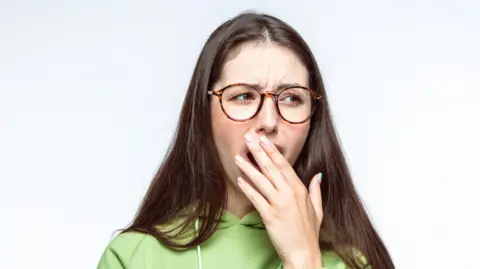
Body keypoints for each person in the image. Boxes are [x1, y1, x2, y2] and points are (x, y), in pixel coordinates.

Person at [97, 11, 394, 269]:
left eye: (291, 98)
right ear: (203, 112)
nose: (268, 122)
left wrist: (304, 258)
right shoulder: (135, 257)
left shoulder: (354, 262)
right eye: (243, 96)